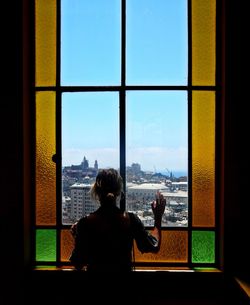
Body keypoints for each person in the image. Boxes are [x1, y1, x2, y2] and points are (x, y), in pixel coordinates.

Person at [69, 168, 166, 272]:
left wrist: (77, 236)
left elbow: (78, 263)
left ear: (96, 191)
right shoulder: (130, 220)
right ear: (119, 191)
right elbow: (153, 246)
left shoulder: (85, 223)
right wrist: (158, 217)